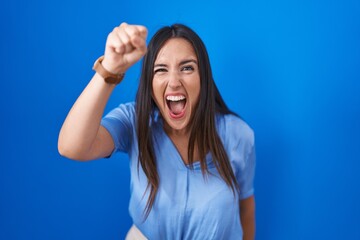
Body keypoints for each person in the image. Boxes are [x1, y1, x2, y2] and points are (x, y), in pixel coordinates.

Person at [58, 22, 256, 240]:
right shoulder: (133, 122)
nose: (173, 82)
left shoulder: (238, 134)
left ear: (203, 78)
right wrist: (110, 70)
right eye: (161, 70)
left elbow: (246, 208)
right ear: (149, 84)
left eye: (187, 68)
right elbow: (71, 147)